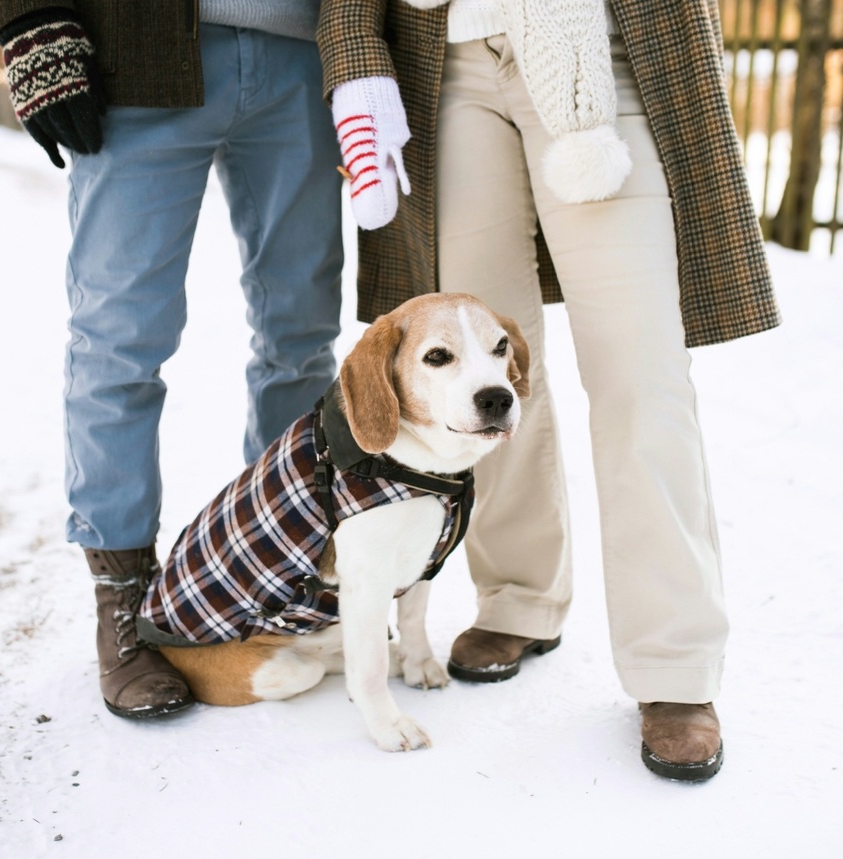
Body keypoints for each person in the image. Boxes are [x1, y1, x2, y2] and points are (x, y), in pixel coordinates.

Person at [317, 0, 779, 779]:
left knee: (642, 373)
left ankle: (674, 668)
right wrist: (356, 52)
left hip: (595, 57)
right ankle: (519, 600)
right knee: (479, 384)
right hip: (449, 68)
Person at [0, 0, 344, 718]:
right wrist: (27, 19)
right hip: (135, 47)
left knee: (300, 337)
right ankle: (125, 596)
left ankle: (279, 562)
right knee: (118, 340)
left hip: (305, 52)